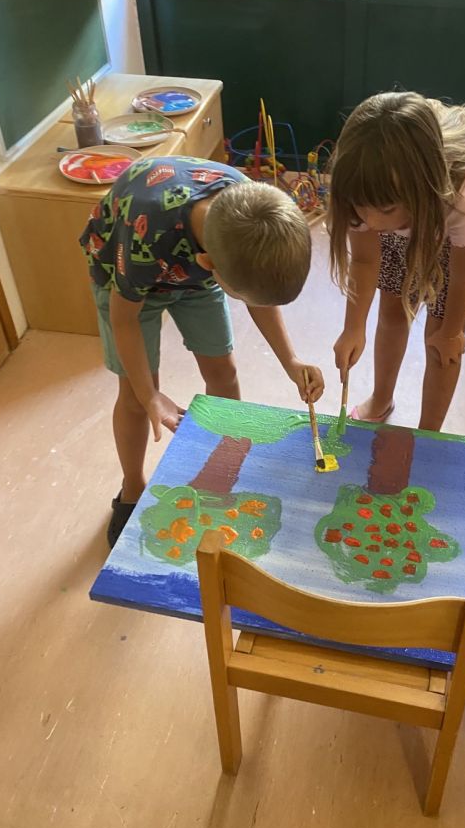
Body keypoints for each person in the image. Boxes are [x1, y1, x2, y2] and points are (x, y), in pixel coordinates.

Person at [81, 156, 324, 547]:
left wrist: (290, 361)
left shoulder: (248, 215)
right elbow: (125, 321)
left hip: (192, 273)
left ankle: (221, 470)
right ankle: (132, 487)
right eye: (240, 295)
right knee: (134, 397)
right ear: (210, 264)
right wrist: (150, 395)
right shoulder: (147, 234)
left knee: (223, 372)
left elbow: (257, 296)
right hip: (127, 274)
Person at [329, 91, 465, 432]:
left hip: (454, 219)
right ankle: (381, 398)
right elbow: (364, 261)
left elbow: (464, 276)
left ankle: (430, 432)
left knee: (441, 341)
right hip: (408, 202)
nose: (370, 221)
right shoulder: (363, 190)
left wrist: (452, 333)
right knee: (392, 308)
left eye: (383, 211)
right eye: (361, 209)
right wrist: (353, 327)